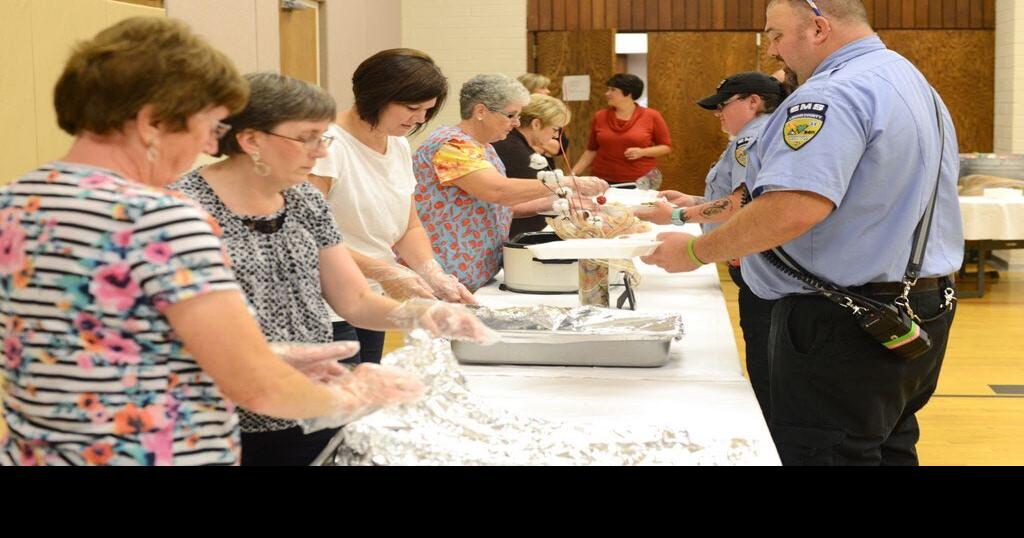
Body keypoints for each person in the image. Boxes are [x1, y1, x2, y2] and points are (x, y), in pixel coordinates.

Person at [0, 18, 424, 466]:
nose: (209, 143)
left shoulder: (15, 202)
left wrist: (265, 354)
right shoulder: (162, 217)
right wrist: (359, 394)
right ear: (151, 123)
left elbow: (100, 344)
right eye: (207, 125)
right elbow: (254, 386)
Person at [641, 0, 964, 466]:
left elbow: (792, 208)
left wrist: (694, 251)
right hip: (917, 304)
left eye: (775, 35)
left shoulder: (833, 93)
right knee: (888, 444)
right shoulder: (908, 81)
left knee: (827, 451)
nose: (773, 51)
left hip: (842, 319)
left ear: (817, 28)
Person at [173, 72, 495, 466]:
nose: (320, 152)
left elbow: (354, 299)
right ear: (250, 139)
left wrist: (424, 313)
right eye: (306, 138)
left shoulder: (305, 200)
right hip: (220, 412)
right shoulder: (184, 209)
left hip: (310, 399)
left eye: (323, 138)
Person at [636, 71, 788, 420]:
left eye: (723, 105)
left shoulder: (753, 139)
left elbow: (742, 202)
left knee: (768, 371)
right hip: (753, 263)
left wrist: (678, 216)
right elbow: (730, 197)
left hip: (761, 266)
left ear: (754, 102)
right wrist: (691, 200)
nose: (718, 113)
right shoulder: (751, 136)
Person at [309, 49, 473, 366]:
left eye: (427, 111)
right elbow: (309, 235)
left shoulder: (396, 142)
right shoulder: (328, 145)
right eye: (412, 108)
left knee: (364, 397)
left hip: (370, 298)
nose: (420, 120)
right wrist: (385, 271)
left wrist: (432, 272)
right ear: (377, 96)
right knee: (339, 403)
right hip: (325, 301)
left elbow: (407, 227)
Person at [413, 74, 607, 292]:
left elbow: (501, 206)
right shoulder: (453, 145)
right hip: (446, 276)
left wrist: (551, 204)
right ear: (481, 112)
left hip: (473, 274)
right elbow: (498, 191)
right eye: (511, 115)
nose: (516, 123)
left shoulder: (484, 146)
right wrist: (566, 183)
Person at [492, 93, 572, 237]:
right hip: (513, 234)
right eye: (555, 129)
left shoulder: (516, 144)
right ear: (536, 124)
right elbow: (520, 200)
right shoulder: (516, 151)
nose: (555, 136)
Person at [571, 73, 672, 187]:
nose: (607, 93)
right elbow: (591, 150)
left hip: (640, 181)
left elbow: (666, 147)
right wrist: (572, 175)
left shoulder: (652, 116)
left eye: (613, 90)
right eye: (608, 89)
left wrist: (642, 152)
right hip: (603, 180)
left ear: (628, 93)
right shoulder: (600, 116)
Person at [517, 73, 569, 170]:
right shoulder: (516, 114)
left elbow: (559, 148)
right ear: (528, 89)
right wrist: (534, 146)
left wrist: (537, 146)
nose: (548, 91)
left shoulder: (550, 115)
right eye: (543, 87)